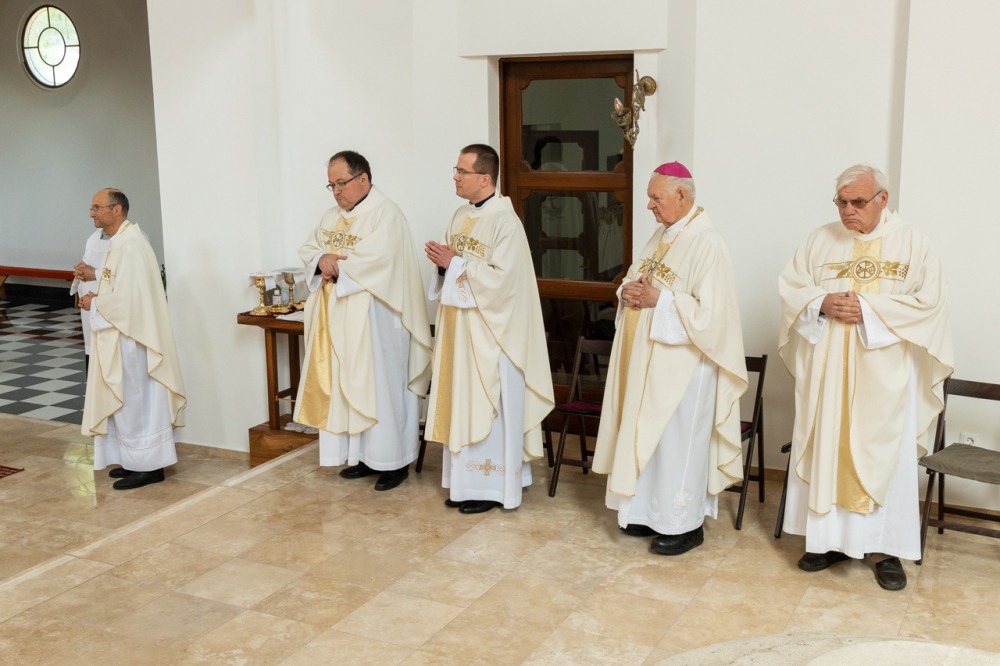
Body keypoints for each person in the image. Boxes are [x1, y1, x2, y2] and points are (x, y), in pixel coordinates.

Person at [779, 164, 953, 591]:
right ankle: (827, 542)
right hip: (827, 373)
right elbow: (791, 288)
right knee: (828, 446)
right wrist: (821, 304)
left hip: (885, 377)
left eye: (857, 202)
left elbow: (930, 306)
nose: (847, 211)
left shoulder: (915, 244)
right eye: (841, 202)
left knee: (884, 456)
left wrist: (870, 310)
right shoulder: (819, 240)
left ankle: (884, 549)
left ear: (883, 199)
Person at [592, 162, 747, 555]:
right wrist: (627, 292)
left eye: (655, 197)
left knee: (677, 443)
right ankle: (645, 514)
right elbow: (635, 280)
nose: (649, 205)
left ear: (681, 195)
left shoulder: (708, 243)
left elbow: (712, 315)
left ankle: (684, 524)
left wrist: (658, 300)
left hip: (684, 369)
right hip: (646, 360)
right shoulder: (660, 238)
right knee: (648, 438)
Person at [424, 143, 554, 514]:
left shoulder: (505, 222)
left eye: (461, 171)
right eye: (455, 170)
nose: (455, 177)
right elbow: (456, 268)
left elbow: (504, 282)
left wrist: (456, 264)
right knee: (462, 403)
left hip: (492, 338)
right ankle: (465, 484)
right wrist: (444, 265)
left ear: (485, 178)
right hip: (461, 334)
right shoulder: (459, 216)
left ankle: (492, 487)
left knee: (488, 407)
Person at [294, 151, 432, 491]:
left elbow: (381, 260)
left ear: (364, 179)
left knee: (381, 387)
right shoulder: (330, 217)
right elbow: (311, 248)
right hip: (338, 318)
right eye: (331, 185)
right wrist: (322, 259)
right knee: (349, 384)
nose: (336, 192)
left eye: (342, 183)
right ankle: (362, 458)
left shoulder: (387, 215)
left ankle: (394, 461)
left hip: (377, 321)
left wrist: (337, 265)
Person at [80, 188, 186, 490]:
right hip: (121, 335)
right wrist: (98, 295)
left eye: (97, 207)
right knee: (127, 400)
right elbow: (118, 287)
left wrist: (95, 303)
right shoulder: (120, 242)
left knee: (138, 400)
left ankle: (150, 467)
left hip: (134, 340)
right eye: (92, 207)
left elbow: (132, 300)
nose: (92, 213)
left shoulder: (133, 245)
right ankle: (133, 460)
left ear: (117, 209)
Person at [70, 222, 112, 372]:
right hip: (89, 303)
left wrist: (95, 274)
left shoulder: (130, 240)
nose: (92, 214)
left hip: (109, 304)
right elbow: (87, 260)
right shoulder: (95, 236)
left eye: (96, 210)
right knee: (91, 350)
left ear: (116, 210)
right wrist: (81, 270)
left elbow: (124, 274)